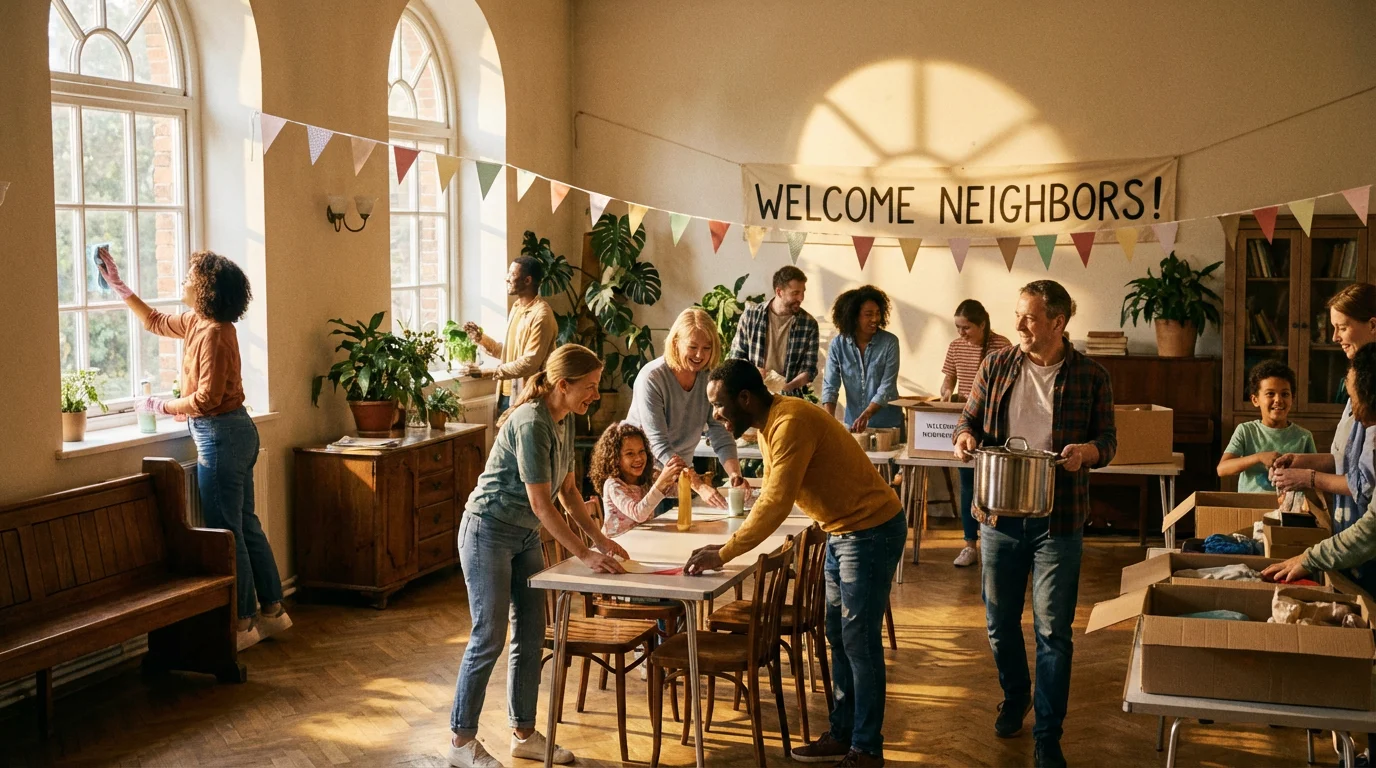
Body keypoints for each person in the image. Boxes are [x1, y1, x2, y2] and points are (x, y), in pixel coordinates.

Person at [685, 360, 906, 768]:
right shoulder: (772, 423)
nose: (715, 415)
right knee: (839, 637)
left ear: (745, 398)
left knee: (859, 643)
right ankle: (843, 735)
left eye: (719, 405)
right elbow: (774, 491)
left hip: (870, 531)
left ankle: (867, 748)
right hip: (842, 531)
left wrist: (725, 551)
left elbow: (776, 501)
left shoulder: (789, 424)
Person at [952, 280, 1116, 768]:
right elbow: (968, 421)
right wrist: (962, 439)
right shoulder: (997, 365)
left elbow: (1108, 441)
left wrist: (1088, 452)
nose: (1019, 324)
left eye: (1028, 317)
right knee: (999, 623)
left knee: (1053, 630)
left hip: (1059, 521)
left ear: (1058, 323)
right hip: (998, 515)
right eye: (1018, 314)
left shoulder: (1092, 375)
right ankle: (1016, 693)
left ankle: (1048, 735)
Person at [96, 249, 288, 653]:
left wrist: (159, 406)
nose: (182, 279)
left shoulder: (216, 332)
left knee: (228, 534)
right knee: (246, 525)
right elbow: (154, 321)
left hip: (222, 436)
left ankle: (242, 623)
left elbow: (205, 399)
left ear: (205, 287)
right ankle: (273, 611)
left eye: (189, 274)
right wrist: (118, 283)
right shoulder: (197, 322)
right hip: (233, 433)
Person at [447, 344, 629, 768]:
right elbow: (543, 504)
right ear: (562, 385)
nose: (595, 395)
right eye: (589, 387)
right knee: (488, 635)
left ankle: (523, 732)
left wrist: (600, 539)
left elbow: (568, 492)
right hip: (487, 531)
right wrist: (585, 554)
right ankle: (460, 742)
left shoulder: (563, 420)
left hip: (524, 536)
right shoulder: (531, 423)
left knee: (531, 633)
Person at [1271, 284, 1376, 538]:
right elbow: (1348, 461)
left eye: (1342, 327)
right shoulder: (1358, 384)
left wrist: (1309, 478)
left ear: (1372, 325)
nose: (1334, 337)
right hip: (1348, 530)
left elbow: (1364, 484)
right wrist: (1301, 460)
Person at [624, 308, 747, 508]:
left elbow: (719, 431)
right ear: (675, 343)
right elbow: (659, 445)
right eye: (692, 347)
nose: (700, 355)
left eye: (707, 348)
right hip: (642, 479)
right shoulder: (652, 378)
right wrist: (698, 485)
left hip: (680, 478)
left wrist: (735, 475)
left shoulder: (709, 378)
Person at [940, 299, 1012, 568]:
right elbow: (949, 378)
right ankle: (970, 544)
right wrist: (946, 390)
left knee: (997, 488)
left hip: (995, 426)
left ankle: (998, 542)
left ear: (982, 324)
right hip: (967, 423)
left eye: (966, 327)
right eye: (958, 327)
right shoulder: (955, 346)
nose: (961, 333)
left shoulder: (1001, 345)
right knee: (968, 484)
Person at [462, 256, 557, 413]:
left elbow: (529, 363)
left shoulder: (542, 315)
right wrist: (481, 339)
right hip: (506, 395)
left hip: (529, 398)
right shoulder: (517, 307)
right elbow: (510, 354)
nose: (507, 278)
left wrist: (489, 372)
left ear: (527, 280)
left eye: (512, 274)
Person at [1216, 360, 1315, 493]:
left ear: (1293, 399)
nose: (1278, 400)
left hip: (1289, 511)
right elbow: (1222, 469)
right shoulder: (1246, 431)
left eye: (1285, 394)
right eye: (1270, 394)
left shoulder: (1304, 436)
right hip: (1251, 509)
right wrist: (1259, 457)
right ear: (1255, 400)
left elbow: (1315, 476)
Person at [821, 285, 902, 433]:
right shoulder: (838, 345)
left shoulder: (890, 343)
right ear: (853, 317)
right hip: (854, 426)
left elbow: (887, 386)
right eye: (868, 314)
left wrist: (867, 414)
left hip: (888, 426)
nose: (875, 319)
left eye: (878, 313)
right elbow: (830, 386)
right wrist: (829, 421)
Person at [729, 265, 819, 398]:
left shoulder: (809, 324)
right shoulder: (751, 316)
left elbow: (809, 370)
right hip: (753, 395)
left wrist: (787, 387)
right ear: (779, 292)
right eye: (795, 293)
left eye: (803, 292)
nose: (801, 298)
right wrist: (753, 372)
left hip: (789, 398)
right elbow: (736, 357)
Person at [589, 420, 687, 537]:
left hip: (642, 539)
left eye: (641, 451)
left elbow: (678, 492)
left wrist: (682, 478)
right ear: (615, 458)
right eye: (630, 454)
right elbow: (638, 514)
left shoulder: (647, 478)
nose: (638, 458)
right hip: (617, 546)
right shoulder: (613, 485)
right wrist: (661, 482)